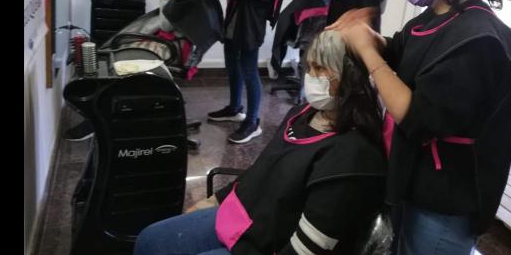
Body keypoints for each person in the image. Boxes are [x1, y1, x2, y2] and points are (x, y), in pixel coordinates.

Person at [327, 0, 511, 255]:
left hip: (446, 197)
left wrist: (368, 53)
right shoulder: (432, 18)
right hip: (412, 177)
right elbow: (400, 50)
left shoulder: (478, 38)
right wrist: (370, 37)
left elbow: (417, 115)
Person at [134, 30, 387, 255]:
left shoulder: (353, 155)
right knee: (151, 240)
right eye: (309, 68)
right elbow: (264, 167)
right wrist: (216, 199)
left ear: (351, 77)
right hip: (246, 216)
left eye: (320, 69)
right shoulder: (301, 115)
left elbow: (308, 248)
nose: (311, 77)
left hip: (269, 244)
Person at [195, 0, 284, 143]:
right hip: (235, 20)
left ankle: (253, 122)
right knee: (232, 66)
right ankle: (235, 108)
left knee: (248, 70)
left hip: (249, 27)